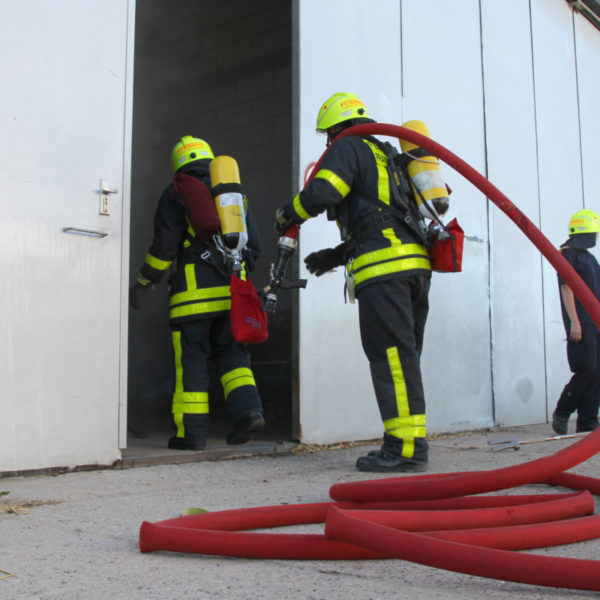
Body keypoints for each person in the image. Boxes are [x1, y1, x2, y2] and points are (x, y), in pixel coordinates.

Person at [274, 93, 438, 473]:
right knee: (405, 359)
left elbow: (325, 192)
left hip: (385, 273)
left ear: (333, 128)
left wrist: (288, 213)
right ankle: (409, 442)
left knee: (392, 359)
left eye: (327, 135)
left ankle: (406, 449)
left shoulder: (346, 146)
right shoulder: (386, 154)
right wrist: (335, 255)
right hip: (415, 270)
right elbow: (382, 220)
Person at [130, 136, 265, 450]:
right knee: (235, 360)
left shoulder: (176, 192)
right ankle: (249, 413)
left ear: (179, 164)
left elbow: (164, 249)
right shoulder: (234, 196)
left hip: (192, 300)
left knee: (191, 364)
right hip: (233, 297)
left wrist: (143, 282)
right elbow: (254, 248)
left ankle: (191, 436)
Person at [552, 209, 600, 435]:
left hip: (596, 321)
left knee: (597, 370)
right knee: (587, 368)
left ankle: (588, 420)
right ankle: (563, 410)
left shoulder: (589, 257)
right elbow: (566, 286)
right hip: (582, 322)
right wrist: (574, 322)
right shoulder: (568, 253)